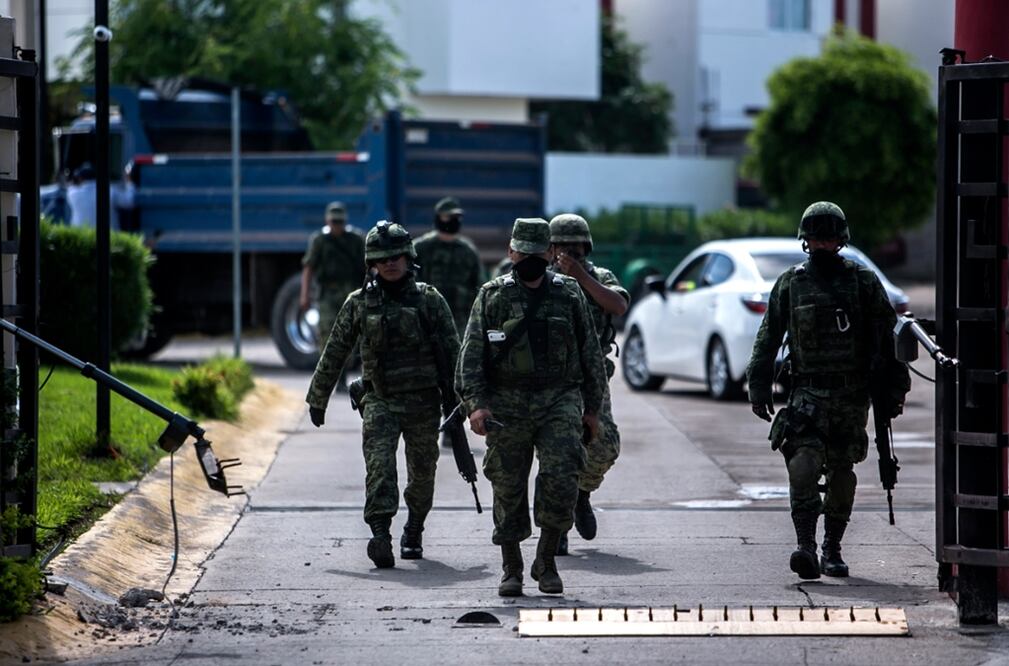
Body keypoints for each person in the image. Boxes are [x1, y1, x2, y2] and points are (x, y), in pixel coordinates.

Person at [746, 202, 910, 580]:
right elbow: (768, 335)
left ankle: (831, 548)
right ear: (805, 242)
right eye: (816, 238)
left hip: (851, 398)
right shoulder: (791, 282)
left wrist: (895, 390)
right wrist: (759, 385)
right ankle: (805, 546)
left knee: (841, 476)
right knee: (802, 466)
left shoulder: (864, 282)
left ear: (841, 240)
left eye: (829, 237)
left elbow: (888, 339)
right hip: (807, 394)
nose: (822, 244)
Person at [456, 218, 607, 597]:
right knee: (507, 485)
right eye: (522, 253)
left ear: (550, 254)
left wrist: (593, 410)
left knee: (561, 477)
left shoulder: (569, 294)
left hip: (559, 399)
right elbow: (470, 357)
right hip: (507, 402)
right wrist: (476, 406)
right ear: (511, 253)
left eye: (538, 254)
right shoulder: (492, 296)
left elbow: (591, 355)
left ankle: (547, 560)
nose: (530, 261)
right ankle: (512, 567)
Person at [306, 221, 459, 569]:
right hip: (380, 401)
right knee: (380, 469)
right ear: (371, 263)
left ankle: (415, 529)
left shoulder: (430, 301)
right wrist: (318, 397)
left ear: (409, 258)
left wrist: (465, 402)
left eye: (396, 257)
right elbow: (335, 351)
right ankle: (380, 534)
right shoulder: (359, 303)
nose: (389, 263)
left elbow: (455, 354)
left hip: (423, 403)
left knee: (422, 475)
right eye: (381, 258)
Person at [548, 214, 629, 555]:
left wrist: (581, 277)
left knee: (605, 444)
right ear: (550, 248)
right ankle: (559, 523)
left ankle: (582, 494)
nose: (568, 252)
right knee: (558, 454)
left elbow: (619, 304)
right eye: (562, 246)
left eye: (575, 246)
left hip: (591, 378)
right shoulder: (543, 278)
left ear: (586, 246)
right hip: (551, 380)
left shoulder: (599, 276)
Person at [414, 197, 485, 335]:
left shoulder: (468, 251)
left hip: (460, 322)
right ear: (438, 218)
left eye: (457, 217)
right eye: (449, 216)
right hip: (426, 321)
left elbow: (479, 287)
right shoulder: (421, 248)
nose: (453, 220)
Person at [300, 202, 366, 350]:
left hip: (350, 293)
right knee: (327, 335)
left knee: (350, 336)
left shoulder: (355, 240)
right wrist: (304, 295)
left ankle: (344, 370)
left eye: (340, 222)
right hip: (328, 294)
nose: (337, 225)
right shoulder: (320, 241)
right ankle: (332, 371)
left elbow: (368, 266)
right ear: (327, 221)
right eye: (334, 221)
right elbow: (308, 268)